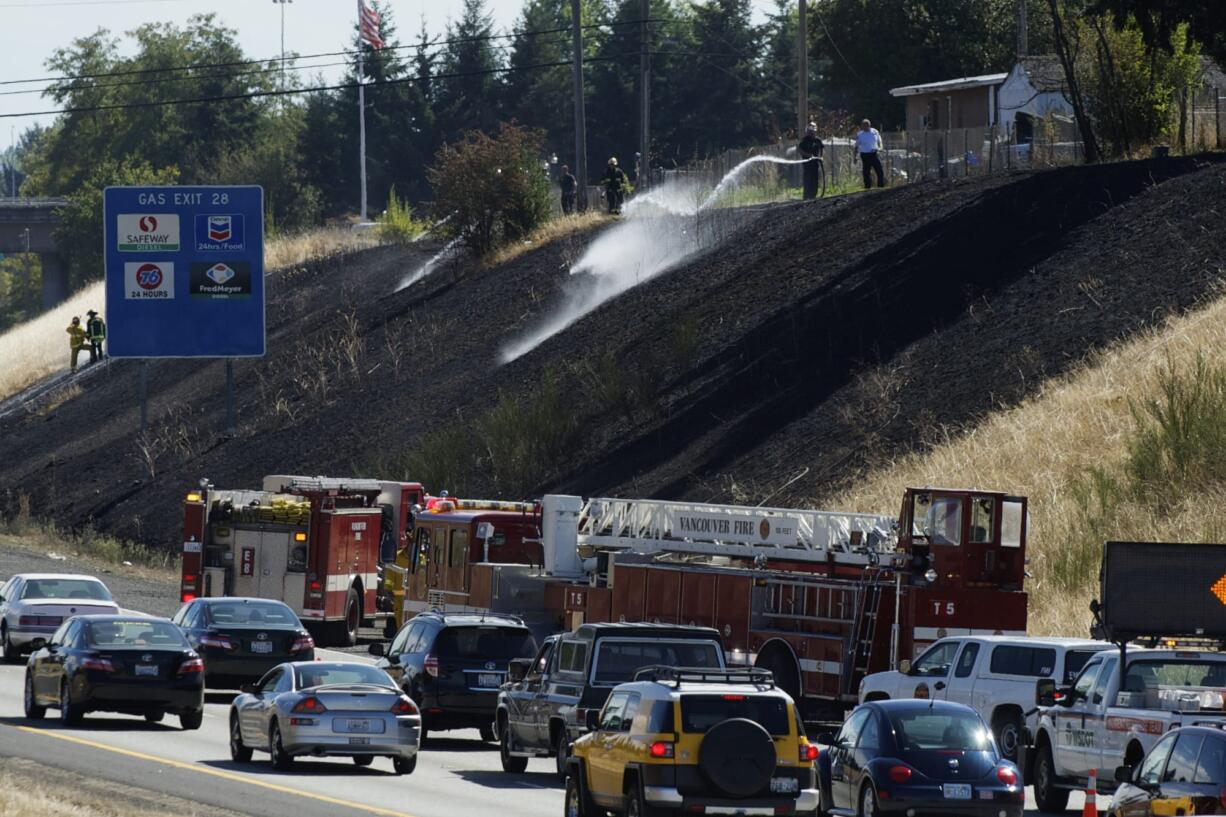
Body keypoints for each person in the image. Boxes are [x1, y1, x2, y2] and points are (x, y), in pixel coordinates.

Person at [798, 122, 825, 200]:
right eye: (809, 131)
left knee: (815, 181)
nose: (811, 132)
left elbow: (821, 149)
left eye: (812, 131)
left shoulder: (818, 140)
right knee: (807, 181)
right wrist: (808, 155)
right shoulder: (804, 141)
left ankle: (813, 196)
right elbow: (800, 150)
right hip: (807, 164)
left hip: (815, 164)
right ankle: (806, 197)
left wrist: (821, 157)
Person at [856, 119, 885, 189]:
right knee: (866, 172)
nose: (865, 127)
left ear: (869, 125)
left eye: (866, 125)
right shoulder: (860, 134)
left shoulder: (875, 132)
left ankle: (880, 187)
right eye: (863, 126)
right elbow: (856, 146)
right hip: (865, 155)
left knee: (879, 171)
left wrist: (880, 148)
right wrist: (855, 157)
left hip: (873, 154)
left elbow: (880, 142)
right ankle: (867, 187)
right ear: (862, 126)